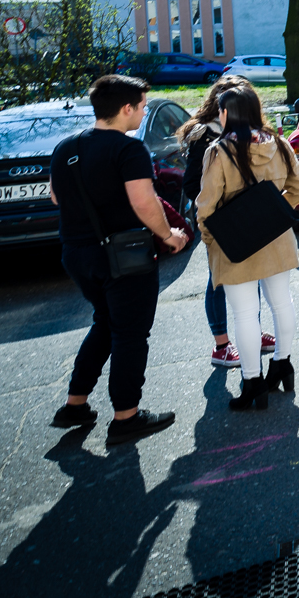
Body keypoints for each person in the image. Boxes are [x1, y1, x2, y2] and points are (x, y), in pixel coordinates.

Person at [47, 74, 189, 446]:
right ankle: (126, 416)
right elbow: (144, 202)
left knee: (106, 323)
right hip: (123, 256)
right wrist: (169, 235)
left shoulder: (65, 147)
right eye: (142, 106)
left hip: (76, 253)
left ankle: (75, 404)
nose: (143, 112)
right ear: (126, 108)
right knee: (130, 334)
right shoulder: (129, 149)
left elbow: (57, 198)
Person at [195, 87, 299, 411]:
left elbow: (206, 208)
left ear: (226, 113)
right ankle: (282, 364)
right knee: (282, 303)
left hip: (235, 244)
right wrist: (272, 213)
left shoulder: (219, 151)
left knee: (245, 314)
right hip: (276, 239)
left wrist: (210, 239)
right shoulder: (280, 144)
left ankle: (253, 382)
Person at [178, 76, 272, 370]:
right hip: (221, 219)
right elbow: (192, 184)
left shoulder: (248, 131)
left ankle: (253, 332)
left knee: (252, 273)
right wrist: (219, 207)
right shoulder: (205, 134)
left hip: (247, 216)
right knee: (217, 280)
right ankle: (221, 345)